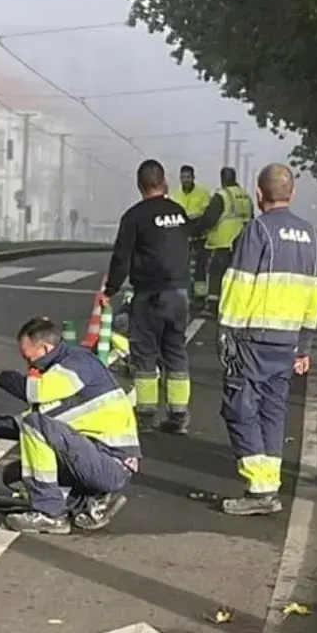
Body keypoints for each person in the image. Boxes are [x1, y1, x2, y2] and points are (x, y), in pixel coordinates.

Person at [217, 163, 317, 516]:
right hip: (288, 341)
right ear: (291, 194)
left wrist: (227, 333)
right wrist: (304, 346)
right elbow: (315, 296)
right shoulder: (311, 235)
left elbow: (239, 283)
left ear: (259, 194)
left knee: (240, 407)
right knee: (273, 411)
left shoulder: (257, 230)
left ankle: (259, 488)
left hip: (253, 339)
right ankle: (269, 483)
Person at [0, 315, 140, 535]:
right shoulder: (61, 370)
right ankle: (88, 502)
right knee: (16, 475)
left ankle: (50, 514)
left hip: (112, 463)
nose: (28, 363)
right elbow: (25, 423)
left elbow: (33, 395)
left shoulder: (75, 365)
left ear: (45, 347)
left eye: (28, 355)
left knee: (35, 425)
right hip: (96, 457)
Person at [103, 158, 192, 432]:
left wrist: (110, 290)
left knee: (145, 355)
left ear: (139, 185)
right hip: (179, 294)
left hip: (150, 295)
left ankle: (145, 414)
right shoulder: (179, 213)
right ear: (164, 181)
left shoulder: (134, 216)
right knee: (176, 352)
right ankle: (178, 415)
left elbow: (122, 258)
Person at [198, 166, 254, 312]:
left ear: (222, 179)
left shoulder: (222, 195)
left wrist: (198, 229)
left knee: (215, 273)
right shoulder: (245, 196)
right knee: (238, 276)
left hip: (223, 242)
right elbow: (251, 219)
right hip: (243, 244)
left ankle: (212, 306)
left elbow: (209, 219)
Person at [176, 164, 213, 308]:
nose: (185, 180)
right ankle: (185, 295)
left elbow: (204, 215)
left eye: (188, 177)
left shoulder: (202, 194)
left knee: (200, 269)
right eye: (183, 177)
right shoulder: (176, 195)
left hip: (199, 237)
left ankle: (199, 298)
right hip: (182, 237)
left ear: (193, 177)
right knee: (181, 268)